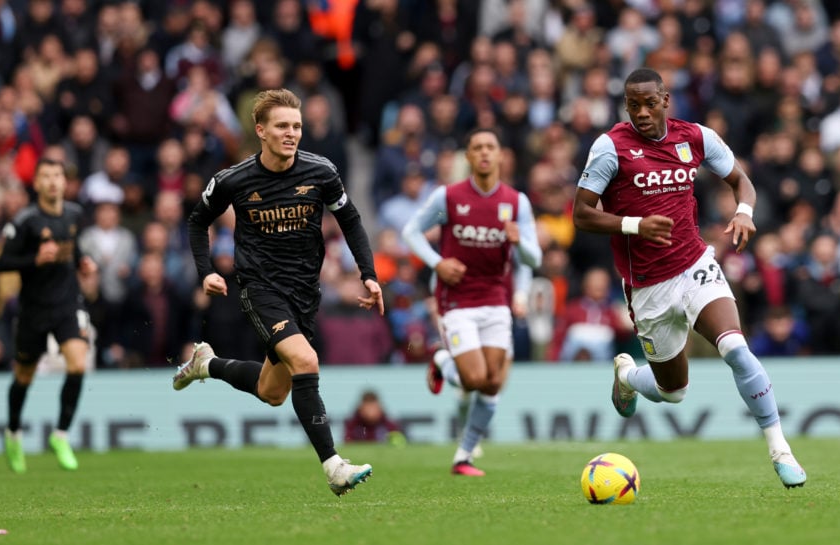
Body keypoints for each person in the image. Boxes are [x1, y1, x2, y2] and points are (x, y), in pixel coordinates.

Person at [571, 68, 806, 488]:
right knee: (674, 392)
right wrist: (633, 226)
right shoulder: (610, 148)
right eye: (633, 105)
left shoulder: (696, 137)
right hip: (647, 286)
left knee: (735, 346)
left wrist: (743, 212)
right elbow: (582, 213)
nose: (641, 113)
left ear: (665, 100)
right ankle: (627, 376)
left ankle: (780, 450)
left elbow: (741, 181)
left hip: (696, 265)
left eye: (649, 103)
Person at [172, 88, 384, 497]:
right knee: (306, 359)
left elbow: (351, 220)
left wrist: (369, 274)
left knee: (273, 391)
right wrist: (206, 272)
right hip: (259, 289)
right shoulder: (233, 180)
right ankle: (334, 466)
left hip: (305, 291)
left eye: (297, 126)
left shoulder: (321, 172)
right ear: (261, 131)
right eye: (283, 126)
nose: (292, 133)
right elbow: (197, 222)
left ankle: (207, 363)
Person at [402, 128, 541, 476]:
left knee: (494, 382)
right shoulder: (448, 197)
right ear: (468, 156)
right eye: (476, 147)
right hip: (457, 301)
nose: (483, 153)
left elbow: (534, 259)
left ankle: (463, 457)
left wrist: (518, 242)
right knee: (474, 378)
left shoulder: (516, 201)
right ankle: (439, 358)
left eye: (490, 147)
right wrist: (437, 263)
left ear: (500, 156)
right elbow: (410, 232)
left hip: (497, 300)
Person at [0, 158, 98, 473]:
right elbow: (2, 263)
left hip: (67, 304)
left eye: (58, 176)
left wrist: (83, 262)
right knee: (24, 376)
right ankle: (13, 432)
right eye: (46, 176)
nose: (53, 181)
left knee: (78, 364)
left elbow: (74, 247)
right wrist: (35, 259)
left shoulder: (74, 214)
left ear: (65, 183)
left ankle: (61, 434)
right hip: (34, 310)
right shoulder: (25, 220)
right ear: (36, 183)